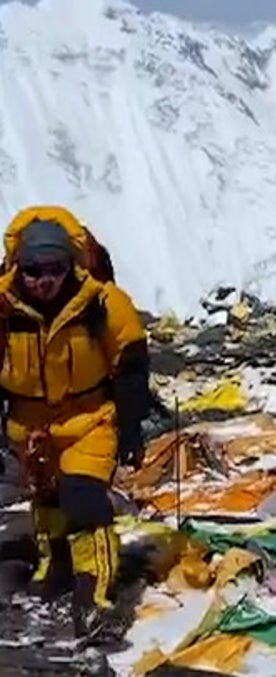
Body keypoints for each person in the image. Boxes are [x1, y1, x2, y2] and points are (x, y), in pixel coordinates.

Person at [0, 206, 150, 638]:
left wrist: (131, 426)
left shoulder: (102, 304)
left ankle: (94, 593)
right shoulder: (2, 309)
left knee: (83, 497)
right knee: (47, 500)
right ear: (17, 266)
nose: (44, 280)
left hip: (90, 419)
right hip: (30, 428)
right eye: (32, 270)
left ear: (72, 264)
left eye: (55, 268)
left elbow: (131, 365)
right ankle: (56, 567)